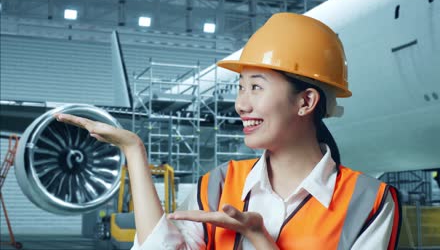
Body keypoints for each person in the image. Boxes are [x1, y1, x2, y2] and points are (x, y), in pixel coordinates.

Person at [55, 13, 401, 249]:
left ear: (305, 101)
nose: (240, 104)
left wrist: (258, 237)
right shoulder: (218, 185)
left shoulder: (368, 202)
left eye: (256, 87)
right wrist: (134, 151)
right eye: (240, 87)